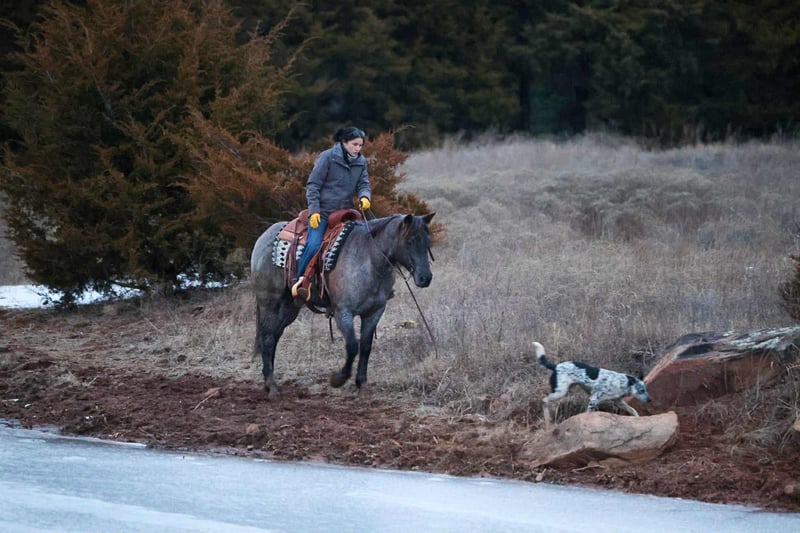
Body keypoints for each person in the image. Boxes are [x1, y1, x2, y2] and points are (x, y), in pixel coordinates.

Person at [292, 126, 372, 300]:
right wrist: (314, 211)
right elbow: (313, 185)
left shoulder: (361, 161)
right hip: (323, 212)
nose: (358, 149)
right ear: (344, 142)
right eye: (354, 144)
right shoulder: (327, 157)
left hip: (346, 213)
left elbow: (363, 183)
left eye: (360, 145)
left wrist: (365, 196)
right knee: (314, 244)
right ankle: (299, 281)